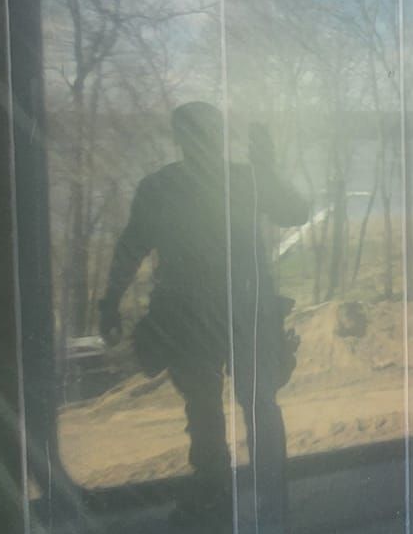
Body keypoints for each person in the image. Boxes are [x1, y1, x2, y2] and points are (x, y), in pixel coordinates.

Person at [99, 104, 309, 487]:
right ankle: (267, 491)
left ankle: (218, 491)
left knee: (206, 408)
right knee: (250, 403)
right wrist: (266, 171)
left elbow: (131, 248)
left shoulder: (161, 187)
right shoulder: (243, 180)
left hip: (194, 317)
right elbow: (295, 212)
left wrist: (110, 303)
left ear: (178, 138)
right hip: (241, 312)